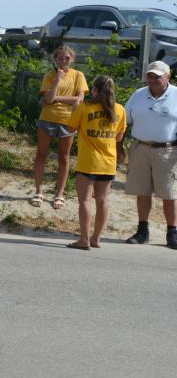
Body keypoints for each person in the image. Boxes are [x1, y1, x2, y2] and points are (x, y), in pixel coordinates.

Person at [65, 76, 127, 250]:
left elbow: (70, 128)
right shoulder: (120, 110)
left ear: (94, 90)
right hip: (108, 162)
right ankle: (96, 238)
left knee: (85, 200)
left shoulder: (84, 107)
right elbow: (119, 137)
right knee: (103, 200)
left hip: (88, 161)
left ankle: (84, 239)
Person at [123, 60, 177, 249]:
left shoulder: (176, 95)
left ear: (168, 77)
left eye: (157, 76)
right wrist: (119, 145)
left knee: (169, 194)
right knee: (142, 192)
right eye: (149, 75)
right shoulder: (138, 95)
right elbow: (124, 120)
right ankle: (142, 231)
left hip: (168, 150)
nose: (152, 79)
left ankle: (172, 232)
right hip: (140, 148)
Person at [32, 45, 88, 210]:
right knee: (41, 154)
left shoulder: (78, 75)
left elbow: (79, 99)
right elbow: (48, 100)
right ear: (55, 60)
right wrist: (57, 79)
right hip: (47, 118)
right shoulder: (49, 76)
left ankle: (60, 193)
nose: (63, 61)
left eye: (67, 58)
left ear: (72, 59)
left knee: (64, 158)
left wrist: (56, 97)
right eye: (60, 58)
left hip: (68, 120)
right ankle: (38, 190)